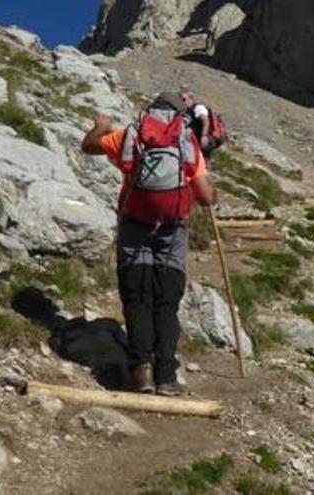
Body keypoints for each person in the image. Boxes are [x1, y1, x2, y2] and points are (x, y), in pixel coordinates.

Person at [81, 93, 217, 396]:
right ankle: (166, 375)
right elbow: (206, 197)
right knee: (166, 302)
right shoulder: (186, 141)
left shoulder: (132, 134)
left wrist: (100, 126)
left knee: (137, 296)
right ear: (179, 114)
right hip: (173, 229)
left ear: (149, 111)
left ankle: (139, 373)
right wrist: (212, 189)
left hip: (134, 225)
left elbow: (88, 146)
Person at [180, 88, 219, 159]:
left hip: (204, 140)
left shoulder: (198, 108)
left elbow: (205, 121)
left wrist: (203, 136)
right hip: (195, 139)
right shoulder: (187, 110)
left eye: (183, 99)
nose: (182, 102)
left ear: (191, 98)